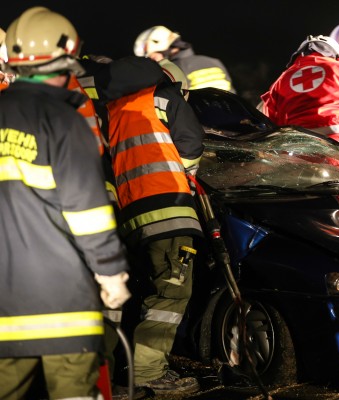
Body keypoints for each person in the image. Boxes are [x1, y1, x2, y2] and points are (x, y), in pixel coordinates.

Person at [0, 6, 131, 399]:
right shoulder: (63, 119)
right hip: (63, 303)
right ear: (68, 55)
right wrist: (111, 274)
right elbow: (86, 210)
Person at [92, 54, 205, 396]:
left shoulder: (112, 109)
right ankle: (147, 371)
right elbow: (191, 143)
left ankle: (110, 373)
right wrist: (187, 175)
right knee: (170, 293)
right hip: (169, 209)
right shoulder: (164, 96)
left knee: (133, 295)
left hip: (130, 217)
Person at [261, 34, 339, 143]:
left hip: (295, 145)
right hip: (338, 140)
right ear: (336, 55)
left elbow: (269, 121)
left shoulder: (281, 80)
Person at [133, 25, 236, 93]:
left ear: (160, 46)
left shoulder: (172, 70)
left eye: (153, 56)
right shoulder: (214, 61)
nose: (154, 61)